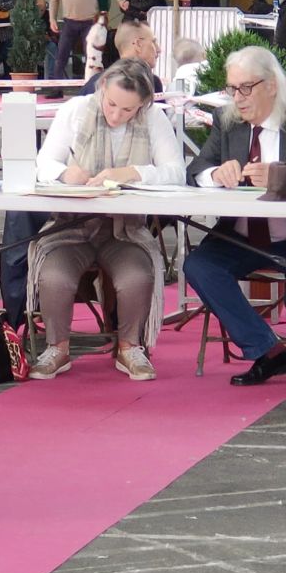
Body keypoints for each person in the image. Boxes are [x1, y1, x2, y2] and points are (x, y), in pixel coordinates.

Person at [29, 58, 185, 381]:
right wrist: (64, 173)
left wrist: (132, 173)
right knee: (55, 277)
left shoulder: (154, 118)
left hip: (125, 231)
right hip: (70, 228)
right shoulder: (75, 110)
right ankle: (57, 348)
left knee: (137, 278)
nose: (116, 115)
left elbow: (176, 173)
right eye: (111, 104)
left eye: (127, 110)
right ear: (101, 87)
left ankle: (130, 348)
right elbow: (42, 163)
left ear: (143, 104)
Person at [184, 45, 286, 386]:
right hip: (240, 237)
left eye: (246, 87)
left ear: (271, 85)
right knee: (199, 265)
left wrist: (279, 176)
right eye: (232, 88)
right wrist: (215, 174)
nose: (237, 98)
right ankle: (267, 349)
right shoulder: (228, 123)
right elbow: (194, 169)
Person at [48, 0, 128, 94]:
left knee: (92, 57)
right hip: (69, 22)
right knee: (61, 55)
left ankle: (93, 88)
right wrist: (52, 18)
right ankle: (56, 88)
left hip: (89, 22)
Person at [80, 20, 162, 96]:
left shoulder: (95, 81)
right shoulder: (150, 82)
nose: (159, 49)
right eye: (153, 42)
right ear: (138, 44)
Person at [84, 13, 108, 82]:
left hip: (99, 61)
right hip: (92, 61)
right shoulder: (95, 29)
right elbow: (94, 43)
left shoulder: (104, 30)